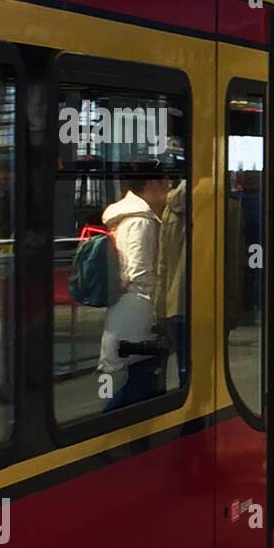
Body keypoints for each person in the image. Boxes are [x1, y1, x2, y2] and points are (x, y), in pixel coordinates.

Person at [99, 173, 169, 411]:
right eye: (164, 181)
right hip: (138, 309)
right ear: (150, 182)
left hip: (126, 308)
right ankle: (105, 437)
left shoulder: (124, 216)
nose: (168, 187)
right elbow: (139, 272)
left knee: (135, 381)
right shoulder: (141, 221)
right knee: (138, 381)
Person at [156, 177, 188, 389]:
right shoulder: (228, 207)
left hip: (176, 303)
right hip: (209, 305)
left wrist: (160, 306)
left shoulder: (170, 209)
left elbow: (163, 262)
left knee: (184, 369)